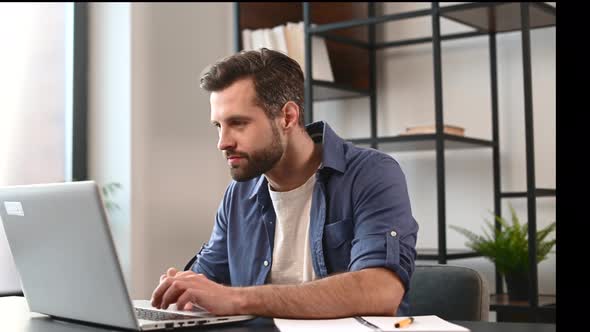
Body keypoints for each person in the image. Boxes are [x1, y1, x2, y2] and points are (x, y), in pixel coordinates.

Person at [150, 48, 419, 319]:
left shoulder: (370, 174)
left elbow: (381, 291)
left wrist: (237, 299)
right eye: (218, 126)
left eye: (238, 123)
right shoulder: (239, 194)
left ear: (288, 117)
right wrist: (182, 290)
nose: (223, 142)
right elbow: (205, 281)